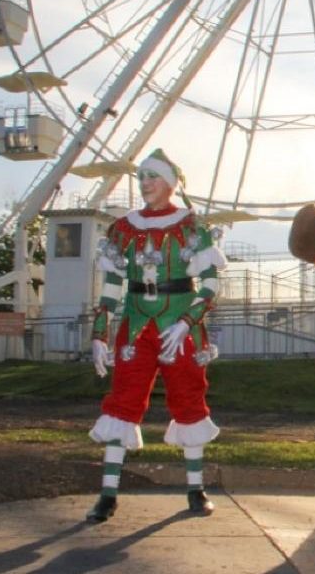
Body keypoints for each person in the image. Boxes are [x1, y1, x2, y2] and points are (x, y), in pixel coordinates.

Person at [86, 149, 227, 522]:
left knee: (189, 399)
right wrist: (99, 334)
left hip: (179, 330)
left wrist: (186, 322)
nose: (145, 183)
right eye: (141, 177)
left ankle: (196, 490)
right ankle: (107, 495)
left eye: (152, 176)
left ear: (171, 183)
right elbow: (111, 285)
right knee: (122, 401)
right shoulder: (124, 228)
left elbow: (210, 285)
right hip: (135, 327)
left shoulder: (191, 226)